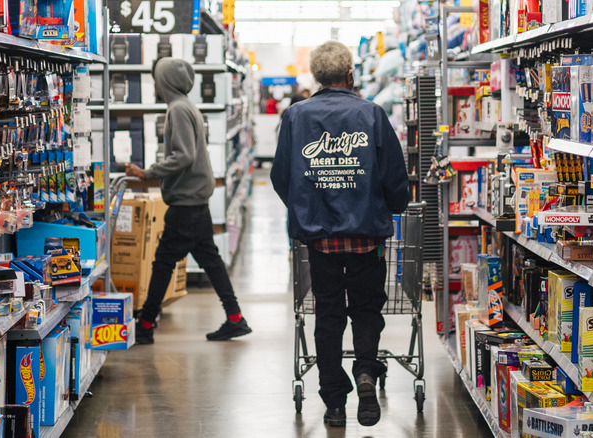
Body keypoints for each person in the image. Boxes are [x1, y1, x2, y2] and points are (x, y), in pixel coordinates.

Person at [270, 41, 409, 428]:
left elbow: (281, 176)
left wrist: (306, 207)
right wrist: (392, 206)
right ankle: (366, 371)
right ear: (351, 74)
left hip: (319, 241)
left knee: (328, 315)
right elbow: (393, 177)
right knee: (367, 309)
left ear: (316, 77)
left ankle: (333, 401)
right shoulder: (372, 114)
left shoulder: (296, 117)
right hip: (366, 237)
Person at [126, 57, 252, 344]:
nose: (155, 84)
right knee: (211, 261)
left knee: (163, 263)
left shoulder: (178, 110)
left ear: (165, 82)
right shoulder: (186, 106)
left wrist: (147, 173)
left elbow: (183, 156)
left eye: (157, 78)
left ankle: (145, 325)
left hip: (186, 204)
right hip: (195, 201)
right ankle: (235, 319)